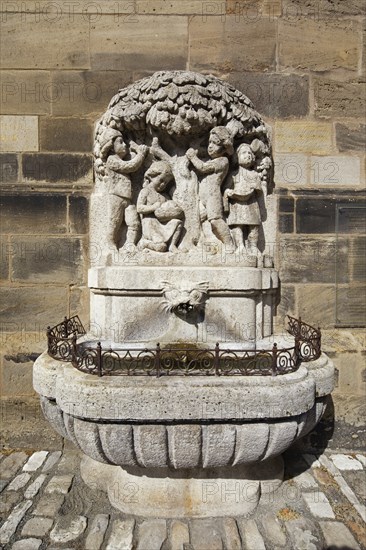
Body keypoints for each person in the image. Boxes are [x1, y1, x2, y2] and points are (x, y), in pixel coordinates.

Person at [186, 127, 233, 247]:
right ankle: (208, 241)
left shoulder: (223, 161)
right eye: (209, 143)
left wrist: (192, 157)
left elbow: (203, 167)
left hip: (213, 195)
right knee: (203, 218)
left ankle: (229, 244)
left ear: (223, 148)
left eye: (215, 143)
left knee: (215, 220)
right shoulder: (212, 160)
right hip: (203, 196)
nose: (210, 146)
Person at [101, 127, 147, 249]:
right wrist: (141, 155)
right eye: (120, 142)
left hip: (127, 197)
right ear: (111, 147)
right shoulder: (112, 160)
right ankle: (110, 243)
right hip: (116, 196)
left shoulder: (119, 158)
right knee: (115, 221)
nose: (124, 145)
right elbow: (130, 166)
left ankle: (130, 244)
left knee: (134, 222)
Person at [223, 143, 262, 255]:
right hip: (236, 203)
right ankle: (240, 246)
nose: (248, 155)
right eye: (244, 153)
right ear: (237, 156)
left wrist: (255, 187)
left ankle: (253, 247)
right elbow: (226, 188)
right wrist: (228, 192)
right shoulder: (233, 175)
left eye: (250, 153)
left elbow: (258, 189)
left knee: (254, 225)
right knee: (237, 224)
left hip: (251, 203)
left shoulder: (254, 174)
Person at [136, 161, 183, 252]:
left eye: (165, 183)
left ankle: (172, 245)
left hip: (162, 223)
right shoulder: (145, 191)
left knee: (177, 222)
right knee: (161, 247)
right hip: (150, 223)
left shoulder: (164, 196)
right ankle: (143, 243)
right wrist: (153, 207)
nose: (162, 185)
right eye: (161, 180)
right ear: (152, 176)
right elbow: (139, 208)